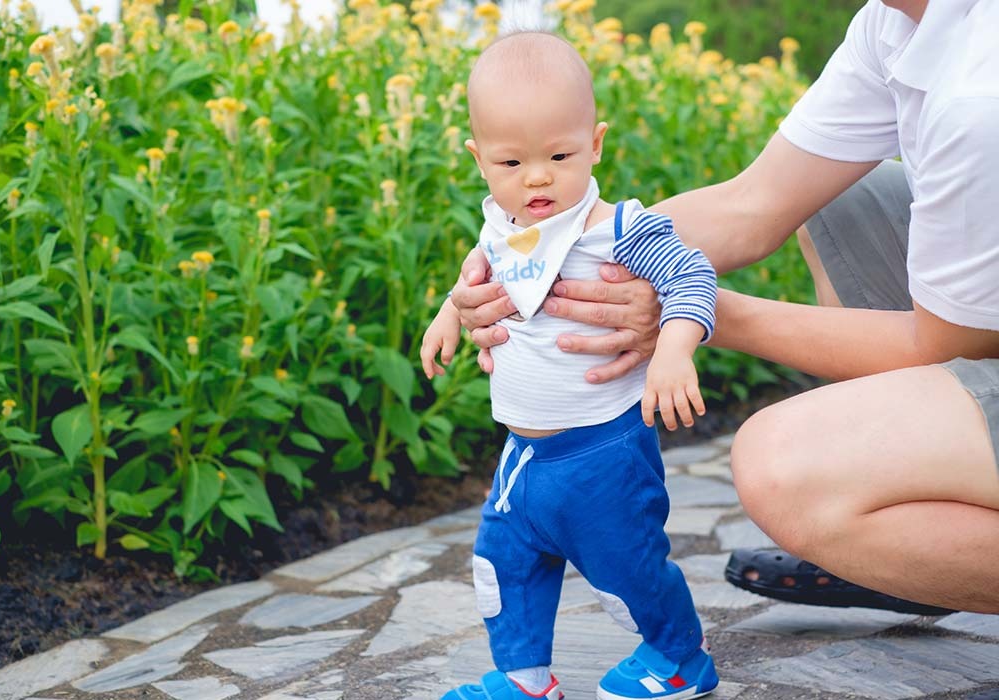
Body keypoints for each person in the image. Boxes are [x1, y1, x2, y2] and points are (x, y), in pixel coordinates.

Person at [451, 0, 999, 616]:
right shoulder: (899, 23)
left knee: (782, 469)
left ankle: (915, 537)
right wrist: (564, 258)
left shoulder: (979, 93)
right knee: (845, 200)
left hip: (966, 333)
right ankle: (918, 541)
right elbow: (754, 204)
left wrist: (692, 309)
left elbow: (952, 347)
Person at [421, 31, 720, 700]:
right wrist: (449, 315)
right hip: (521, 452)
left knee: (628, 568)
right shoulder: (502, 222)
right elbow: (478, 270)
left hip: (602, 447)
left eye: (560, 155)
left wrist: (675, 348)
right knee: (504, 566)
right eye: (510, 162)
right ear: (479, 159)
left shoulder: (615, 228)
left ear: (597, 144)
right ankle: (524, 680)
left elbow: (692, 274)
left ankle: (679, 657)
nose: (536, 178)